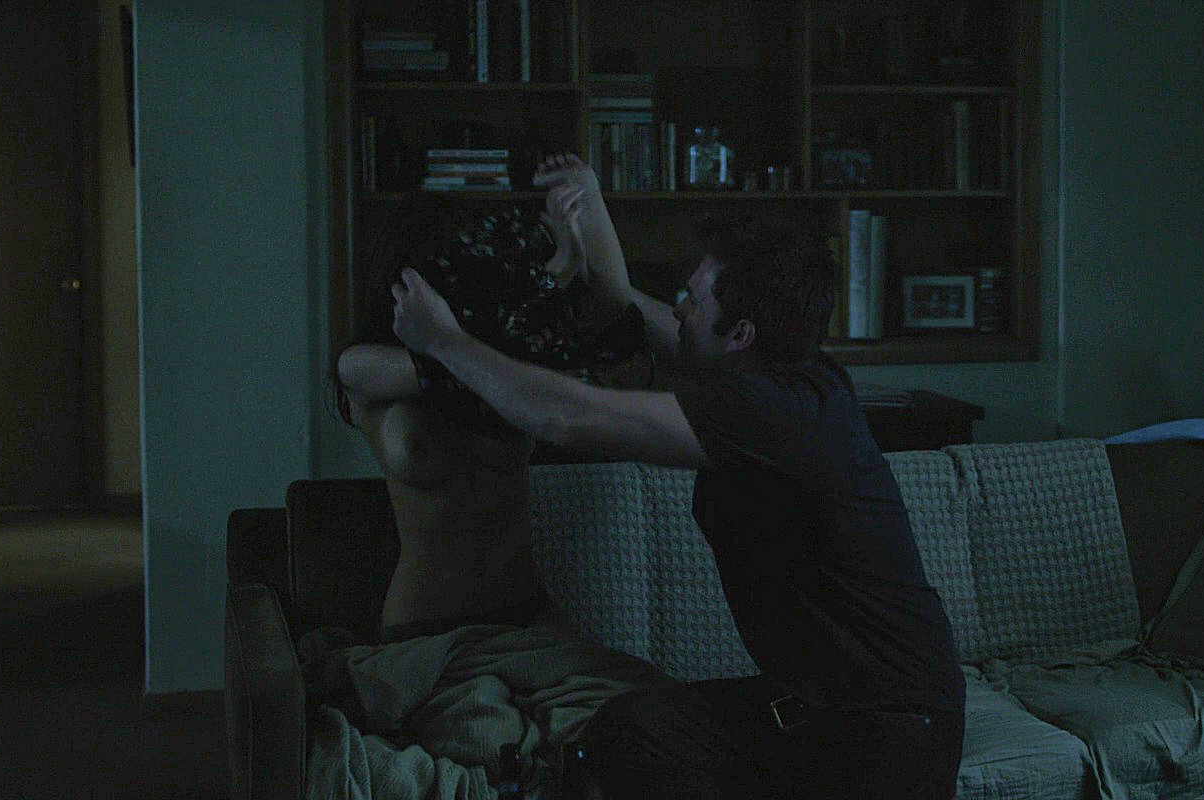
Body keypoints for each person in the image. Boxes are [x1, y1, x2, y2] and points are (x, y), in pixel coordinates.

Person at [388, 153, 966, 799]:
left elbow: (566, 416)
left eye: (693, 299)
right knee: (628, 730)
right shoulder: (777, 368)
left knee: (631, 745)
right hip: (824, 706)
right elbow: (628, 306)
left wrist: (444, 340)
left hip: (890, 734)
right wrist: (587, 202)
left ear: (741, 333)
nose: (680, 308)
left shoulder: (774, 412)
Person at [332, 186, 647, 643]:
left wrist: (570, 256)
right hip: (425, 629)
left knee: (622, 686)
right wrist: (555, 275)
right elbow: (451, 367)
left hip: (528, 616)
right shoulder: (361, 365)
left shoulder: (502, 359)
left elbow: (617, 350)